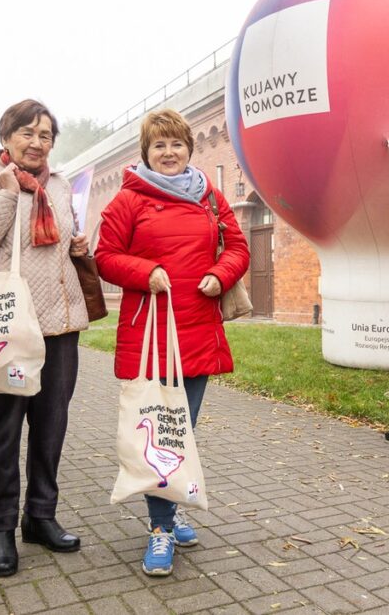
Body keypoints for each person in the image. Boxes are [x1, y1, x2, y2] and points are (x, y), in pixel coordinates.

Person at [95, 109, 250, 577]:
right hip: (151, 332)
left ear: (189, 148)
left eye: (176, 144)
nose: (169, 152)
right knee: (162, 432)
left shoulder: (209, 196)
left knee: (185, 430)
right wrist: (146, 272)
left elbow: (238, 247)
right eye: (159, 145)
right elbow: (106, 256)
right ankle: (160, 528)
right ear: (145, 152)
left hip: (197, 329)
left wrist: (219, 274)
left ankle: (171, 508)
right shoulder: (128, 199)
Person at [0, 99, 90, 578]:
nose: (36, 143)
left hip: (61, 327)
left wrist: (78, 246)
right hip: (11, 327)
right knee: (4, 431)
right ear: (6, 136)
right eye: (27, 133)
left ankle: (40, 517)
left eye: (45, 135)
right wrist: (7, 195)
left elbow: (60, 242)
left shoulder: (60, 184)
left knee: (51, 428)